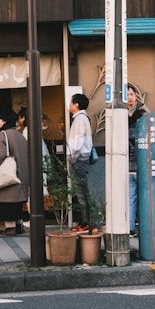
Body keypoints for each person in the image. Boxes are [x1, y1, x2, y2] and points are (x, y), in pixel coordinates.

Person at [0, 108, 29, 235]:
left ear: (3, 121)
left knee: (6, 201)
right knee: (17, 202)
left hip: (8, 174)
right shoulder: (20, 135)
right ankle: (19, 225)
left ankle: (10, 227)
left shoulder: (2, 135)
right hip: (21, 174)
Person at [66, 93, 93, 232]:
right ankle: (86, 222)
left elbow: (78, 141)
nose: (69, 105)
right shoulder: (81, 118)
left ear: (76, 105)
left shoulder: (80, 119)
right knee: (82, 191)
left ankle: (87, 223)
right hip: (81, 158)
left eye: (71, 102)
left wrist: (72, 157)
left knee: (81, 192)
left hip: (79, 159)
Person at [127, 84, 149, 237]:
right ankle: (131, 227)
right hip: (127, 163)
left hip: (142, 162)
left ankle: (143, 225)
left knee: (142, 196)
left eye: (131, 94)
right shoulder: (118, 114)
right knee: (131, 197)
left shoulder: (144, 113)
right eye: (126, 94)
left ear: (136, 96)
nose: (129, 97)